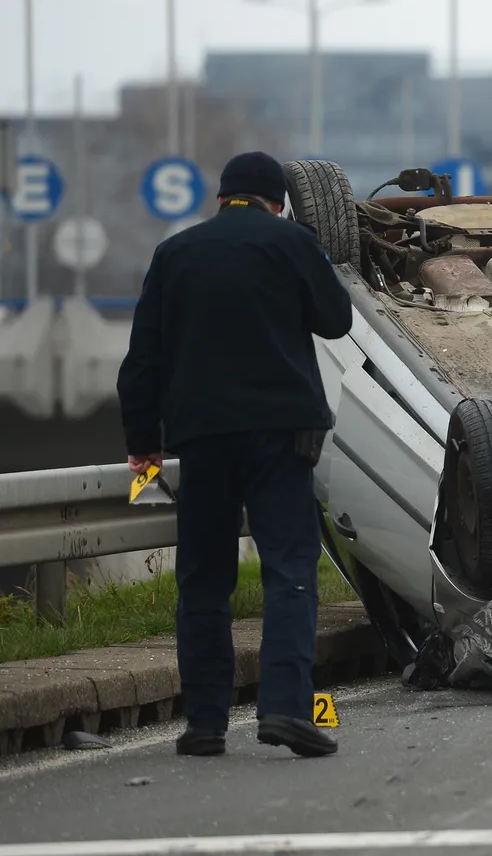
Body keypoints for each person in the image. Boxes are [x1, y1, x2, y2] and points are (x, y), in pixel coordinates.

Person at [116, 151, 354, 758]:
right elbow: (335, 320)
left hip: (202, 438)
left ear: (222, 196)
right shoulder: (292, 243)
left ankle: (204, 724)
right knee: (289, 568)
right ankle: (284, 710)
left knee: (203, 578)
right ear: (277, 200)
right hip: (282, 434)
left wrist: (142, 443)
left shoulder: (176, 254)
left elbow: (141, 361)